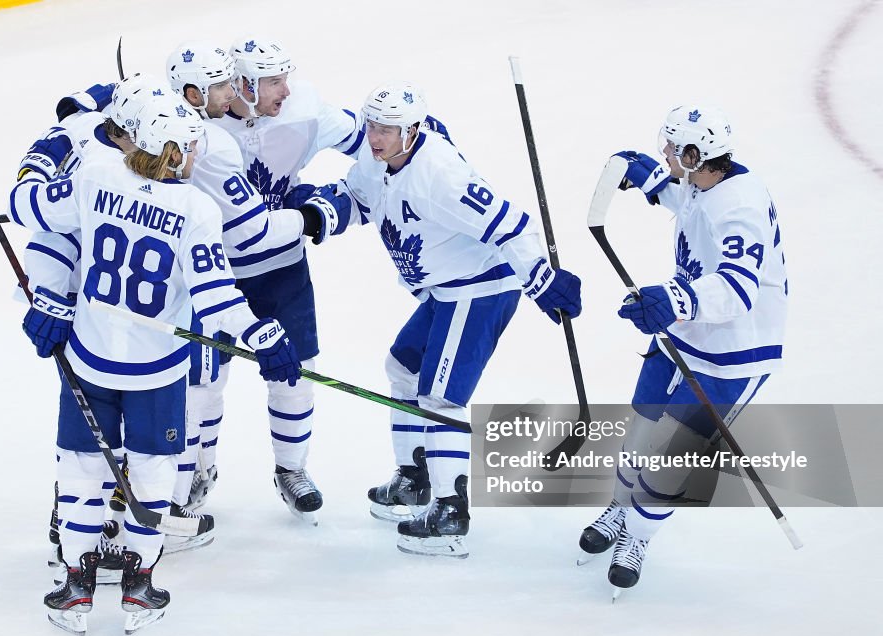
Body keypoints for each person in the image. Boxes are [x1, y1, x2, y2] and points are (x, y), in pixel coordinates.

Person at [11, 94, 302, 634]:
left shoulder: (95, 178)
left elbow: (29, 210)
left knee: (80, 471)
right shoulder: (197, 208)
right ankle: (139, 587)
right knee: (150, 473)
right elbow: (215, 296)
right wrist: (262, 334)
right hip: (158, 371)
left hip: (90, 358)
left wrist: (42, 160)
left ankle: (75, 584)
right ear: (177, 151)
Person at [302, 83, 583, 558]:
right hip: (445, 290)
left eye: (388, 129)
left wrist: (540, 279)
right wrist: (322, 213)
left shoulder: (441, 174)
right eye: (372, 125)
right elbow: (360, 195)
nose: (376, 137)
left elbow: (510, 224)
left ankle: (451, 509)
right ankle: (416, 477)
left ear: (411, 131)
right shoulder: (377, 158)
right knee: (403, 368)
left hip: (479, 290)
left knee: (440, 397)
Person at [577, 105, 788, 599]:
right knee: (642, 429)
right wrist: (652, 180)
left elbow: (737, 290)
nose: (664, 153)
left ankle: (638, 536)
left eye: (671, 149)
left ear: (696, 156)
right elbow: (689, 201)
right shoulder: (708, 180)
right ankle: (621, 507)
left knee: (670, 458)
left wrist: (675, 299)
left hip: (735, 353)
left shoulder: (741, 208)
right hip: (686, 334)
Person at [192, 36, 364, 523]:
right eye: (273, 81)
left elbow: (376, 141)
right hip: (213, 272)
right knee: (203, 385)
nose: (285, 90)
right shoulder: (198, 127)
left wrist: (430, 156)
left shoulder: (303, 107)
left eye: (285, 77)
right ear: (240, 84)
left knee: (295, 373)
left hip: (282, 268)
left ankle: (291, 470)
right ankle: (199, 474)